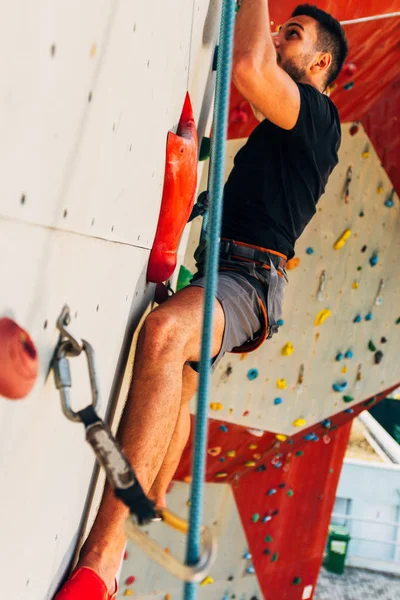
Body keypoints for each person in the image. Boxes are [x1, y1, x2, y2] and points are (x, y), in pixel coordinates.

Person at [56, 2, 348, 598]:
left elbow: (246, 66)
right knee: (184, 382)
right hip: (229, 268)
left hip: (247, 281)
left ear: (320, 62)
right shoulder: (287, 126)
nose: (276, 36)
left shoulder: (318, 115)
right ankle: (156, 492)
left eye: (292, 35)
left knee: (165, 336)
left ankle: (102, 563)